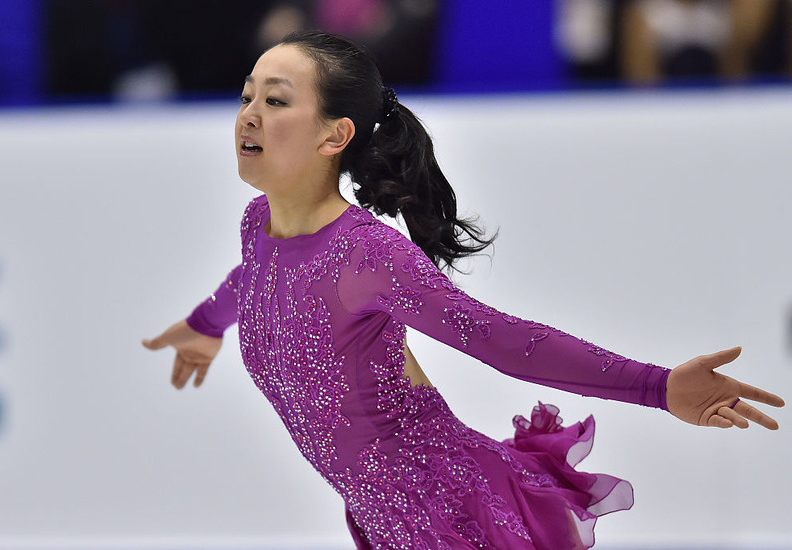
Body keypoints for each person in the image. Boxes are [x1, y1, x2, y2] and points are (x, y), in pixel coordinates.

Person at [143, 31, 784, 550]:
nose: (248, 114)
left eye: (276, 101)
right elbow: (252, 279)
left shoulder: (368, 257)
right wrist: (206, 323)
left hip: (448, 515)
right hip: (385, 521)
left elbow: (506, 342)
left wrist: (656, 385)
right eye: (247, 95)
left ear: (334, 136)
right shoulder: (260, 227)